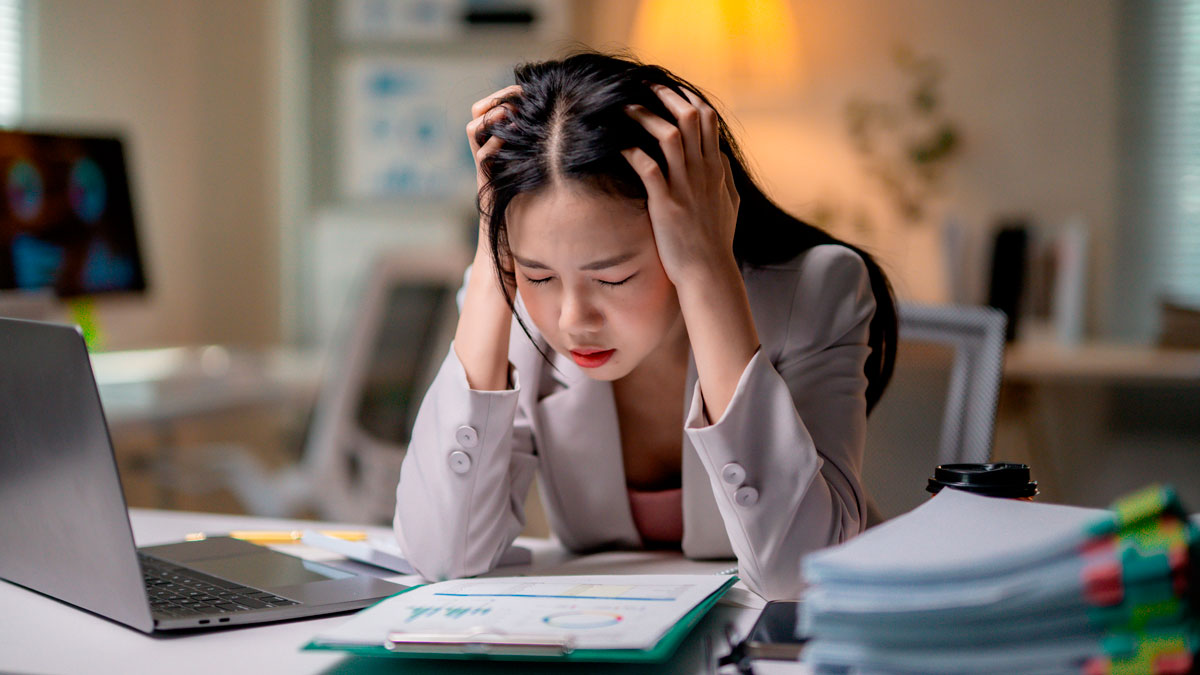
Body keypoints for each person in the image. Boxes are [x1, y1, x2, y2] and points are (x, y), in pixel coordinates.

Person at [393, 51, 897, 600]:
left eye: (612, 279)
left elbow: (796, 574)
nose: (572, 320)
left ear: (690, 224)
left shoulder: (818, 289)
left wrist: (706, 270)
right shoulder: (512, 301)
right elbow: (442, 556)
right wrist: (492, 259)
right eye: (540, 275)